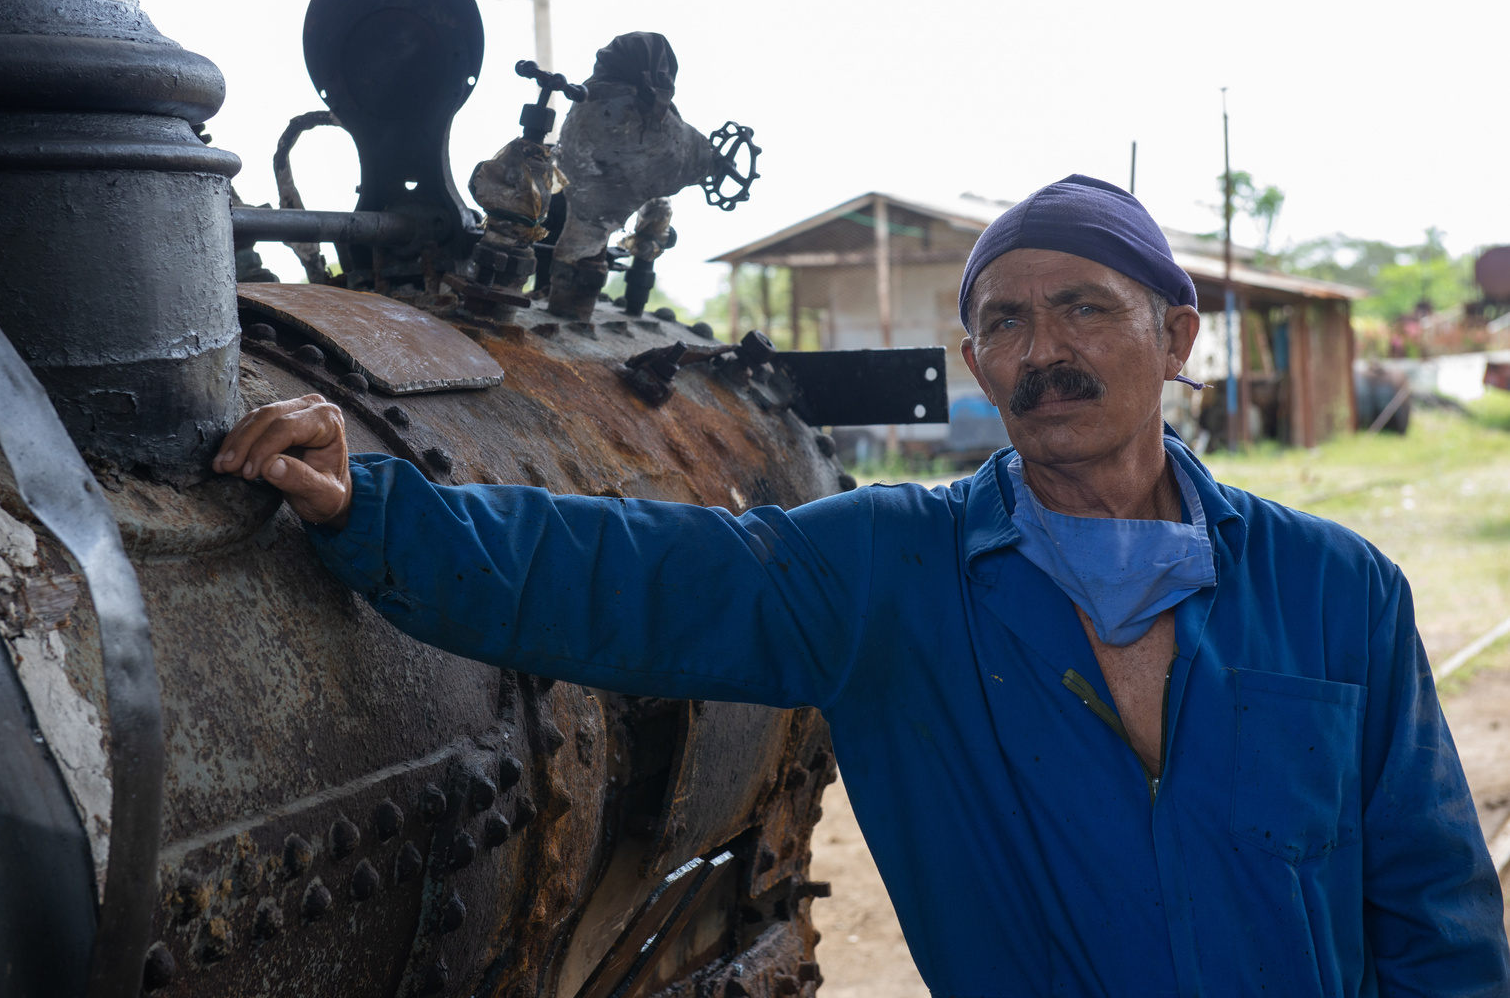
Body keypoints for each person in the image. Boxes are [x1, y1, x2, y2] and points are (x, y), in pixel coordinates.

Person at [213, 175, 1509, 996]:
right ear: (972, 358)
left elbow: (1431, 900)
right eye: (1002, 322)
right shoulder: (889, 570)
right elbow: (631, 576)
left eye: (1082, 309)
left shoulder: (1338, 590)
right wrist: (377, 507)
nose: (1040, 349)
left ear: (1173, 337)